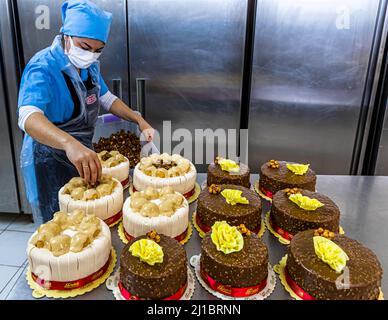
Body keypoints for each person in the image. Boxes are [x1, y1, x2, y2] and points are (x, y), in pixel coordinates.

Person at [17, 0, 154, 225]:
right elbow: (28, 117)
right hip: (49, 159)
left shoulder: (89, 66)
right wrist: (69, 143)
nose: (90, 55)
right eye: (84, 47)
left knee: (86, 221)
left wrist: (139, 120)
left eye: (98, 50)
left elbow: (107, 99)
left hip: (82, 154)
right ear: (67, 35)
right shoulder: (43, 67)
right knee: (60, 222)